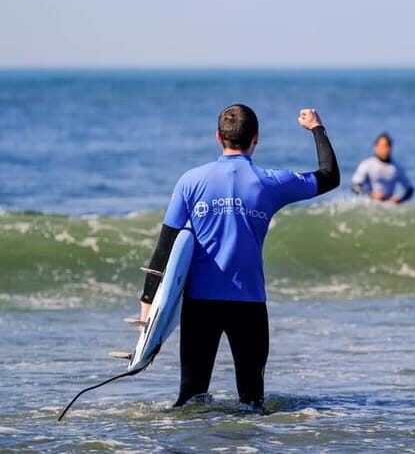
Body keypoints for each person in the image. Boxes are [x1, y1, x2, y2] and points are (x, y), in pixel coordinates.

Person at [138, 104, 339, 409]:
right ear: (256, 138)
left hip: (200, 303)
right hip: (249, 303)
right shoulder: (272, 182)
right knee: (252, 399)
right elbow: (330, 176)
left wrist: (148, 307)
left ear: (219, 137)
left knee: (191, 397)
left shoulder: (190, 181)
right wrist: (316, 128)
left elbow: (164, 248)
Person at [351, 133, 414, 203]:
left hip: (388, 204)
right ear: (375, 147)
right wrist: (370, 195)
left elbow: (410, 190)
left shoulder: (397, 168)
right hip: (369, 203)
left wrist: (401, 199)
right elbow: (354, 186)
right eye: (382, 146)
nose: (385, 149)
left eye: (387, 146)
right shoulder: (367, 164)